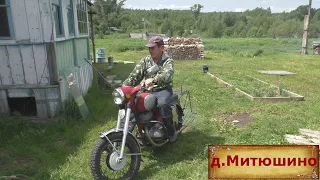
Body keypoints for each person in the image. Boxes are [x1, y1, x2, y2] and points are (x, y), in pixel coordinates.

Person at [122, 36, 177, 142]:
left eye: (153, 48)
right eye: (149, 48)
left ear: (161, 48)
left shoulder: (168, 61)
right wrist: (124, 88)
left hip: (163, 89)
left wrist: (154, 79)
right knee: (133, 103)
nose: (150, 50)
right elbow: (134, 76)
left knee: (162, 105)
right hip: (147, 90)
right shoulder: (146, 60)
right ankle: (128, 132)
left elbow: (168, 75)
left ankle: (171, 130)